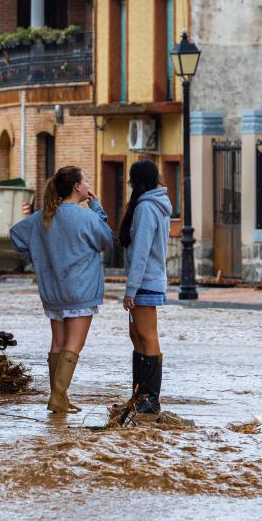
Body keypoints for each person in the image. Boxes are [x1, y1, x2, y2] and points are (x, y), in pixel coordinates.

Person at [10, 166, 114, 413]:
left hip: (53, 291)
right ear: (77, 186)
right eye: (86, 180)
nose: (88, 184)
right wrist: (97, 208)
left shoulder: (42, 217)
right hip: (80, 291)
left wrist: (38, 257)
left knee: (58, 342)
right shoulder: (86, 217)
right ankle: (57, 397)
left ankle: (60, 397)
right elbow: (107, 241)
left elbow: (16, 235)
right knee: (74, 345)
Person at [119, 160, 172, 419]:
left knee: (147, 335)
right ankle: (139, 394)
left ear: (135, 180)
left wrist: (131, 289)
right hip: (145, 280)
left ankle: (150, 400)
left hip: (146, 281)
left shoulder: (147, 208)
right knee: (136, 335)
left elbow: (141, 251)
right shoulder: (149, 206)